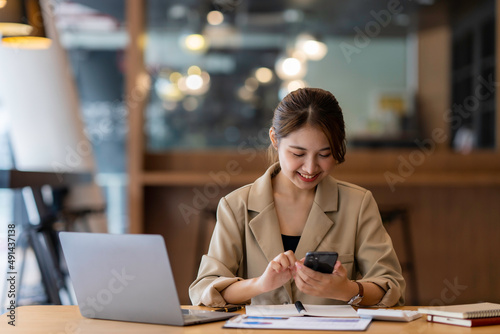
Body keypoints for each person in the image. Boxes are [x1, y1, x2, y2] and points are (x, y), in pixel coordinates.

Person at [189, 88, 405, 307]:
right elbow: (205, 289)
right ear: (274, 139)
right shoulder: (236, 206)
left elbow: (390, 285)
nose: (310, 168)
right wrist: (261, 284)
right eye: (298, 154)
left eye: (325, 154)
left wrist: (347, 289)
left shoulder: (358, 204)